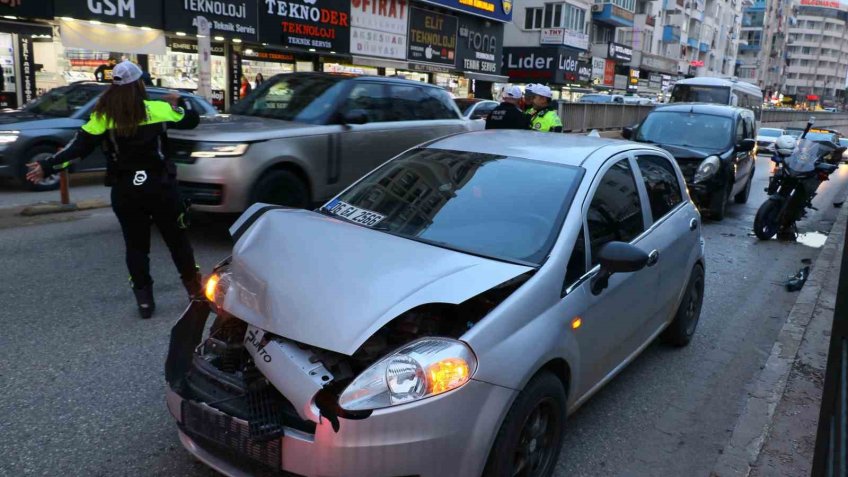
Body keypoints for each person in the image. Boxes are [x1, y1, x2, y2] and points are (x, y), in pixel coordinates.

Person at [26, 61, 202, 319]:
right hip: (161, 187)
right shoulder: (160, 109)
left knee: (136, 247)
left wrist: (46, 165)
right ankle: (196, 294)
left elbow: (76, 150)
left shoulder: (102, 117)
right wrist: (180, 102)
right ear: (139, 84)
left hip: (125, 191)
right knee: (178, 241)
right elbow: (192, 121)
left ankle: (144, 303)